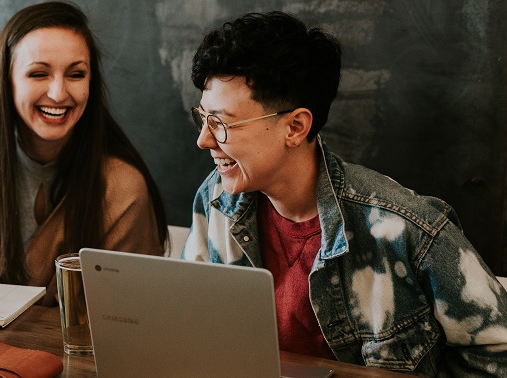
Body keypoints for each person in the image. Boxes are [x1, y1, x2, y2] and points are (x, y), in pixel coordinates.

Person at [180, 11, 507, 376]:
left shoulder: (407, 229)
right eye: (203, 118)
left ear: (295, 126)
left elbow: (498, 352)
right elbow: (190, 326)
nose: (203, 140)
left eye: (221, 123)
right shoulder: (216, 201)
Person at [0, 1, 166, 305]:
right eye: (39, 74)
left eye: (76, 74)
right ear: (7, 82)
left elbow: (133, 317)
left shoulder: (122, 188)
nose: (58, 93)